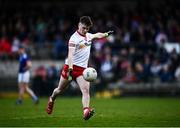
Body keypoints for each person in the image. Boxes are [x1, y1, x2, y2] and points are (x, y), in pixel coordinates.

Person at [46, 16, 113, 120]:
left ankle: (86, 111)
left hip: (82, 70)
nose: (85, 30)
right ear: (79, 25)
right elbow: (70, 55)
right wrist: (70, 69)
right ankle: (51, 99)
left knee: (85, 91)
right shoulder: (74, 39)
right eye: (84, 28)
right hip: (70, 67)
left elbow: (97, 35)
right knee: (59, 90)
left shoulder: (88, 36)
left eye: (87, 29)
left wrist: (106, 34)